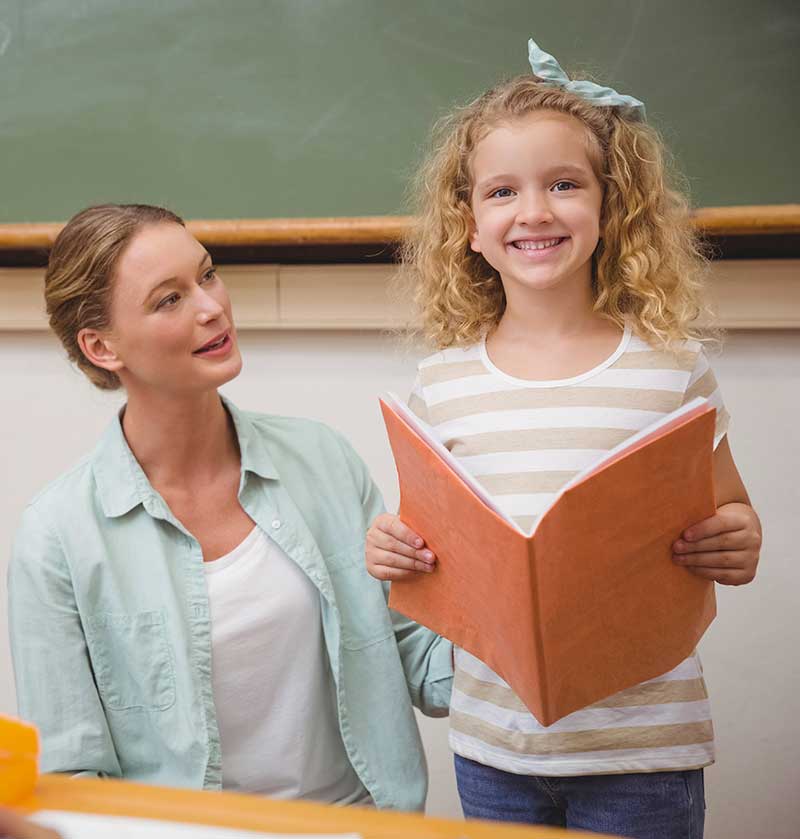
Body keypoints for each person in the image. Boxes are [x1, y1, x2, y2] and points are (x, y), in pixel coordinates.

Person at [365, 39, 762, 838]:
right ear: (468, 225)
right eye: (502, 191)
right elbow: (430, 546)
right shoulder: (442, 384)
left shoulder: (670, 373)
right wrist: (392, 553)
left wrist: (737, 542)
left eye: (564, 185)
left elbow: (737, 528)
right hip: (494, 748)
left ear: (612, 209)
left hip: (642, 749)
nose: (535, 211)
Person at [8, 204, 453, 811]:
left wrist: (506, 595)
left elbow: (423, 662)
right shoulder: (57, 535)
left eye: (207, 274)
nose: (211, 306)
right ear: (101, 346)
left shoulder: (322, 459)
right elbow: (71, 777)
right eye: (169, 299)